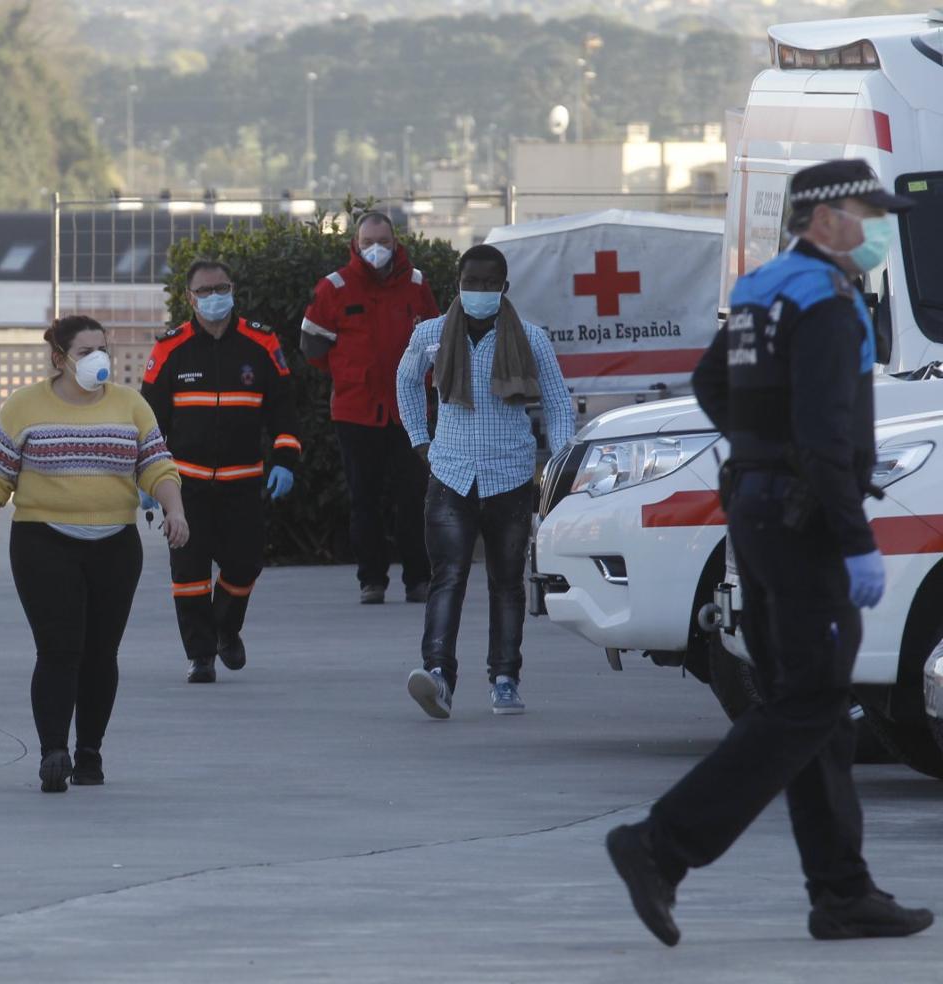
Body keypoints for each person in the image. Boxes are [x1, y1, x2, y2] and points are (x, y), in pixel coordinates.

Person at [606, 160, 933, 945]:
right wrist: (855, 539)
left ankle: (843, 894)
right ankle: (660, 845)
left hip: (755, 509)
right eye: (870, 213)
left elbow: (713, 384)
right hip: (805, 521)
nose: (879, 228)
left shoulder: (762, 291)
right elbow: (827, 438)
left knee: (814, 708)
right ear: (826, 220)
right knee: (808, 703)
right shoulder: (828, 301)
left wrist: (760, 455)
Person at [0, 316, 186, 793]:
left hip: (115, 544)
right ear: (59, 359)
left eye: (102, 348)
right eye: (86, 352)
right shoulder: (24, 407)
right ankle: (53, 752)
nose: (98, 359)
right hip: (44, 541)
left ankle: (90, 753)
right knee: (60, 649)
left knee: (101, 654)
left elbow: (157, 464)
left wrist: (175, 510)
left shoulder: (130, 406)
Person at [397, 243, 574, 718]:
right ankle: (437, 676)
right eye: (470, 282)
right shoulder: (432, 334)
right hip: (450, 473)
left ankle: (505, 678)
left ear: (504, 288)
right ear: (457, 285)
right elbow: (406, 380)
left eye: (488, 284)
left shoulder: (531, 339)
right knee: (447, 577)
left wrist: (558, 466)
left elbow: (557, 404)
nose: (478, 291)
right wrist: (420, 440)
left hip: (511, 476)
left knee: (507, 583)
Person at [141, 259, 301, 683]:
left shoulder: (261, 343)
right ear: (190, 298)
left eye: (222, 287)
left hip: (243, 482)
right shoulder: (169, 349)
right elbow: (149, 420)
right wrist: (147, 476)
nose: (216, 297)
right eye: (206, 291)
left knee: (245, 565)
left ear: (233, 290)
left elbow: (284, 409)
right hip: (184, 486)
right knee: (189, 575)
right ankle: (201, 656)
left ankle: (226, 630)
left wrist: (286, 460)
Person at [301, 211, 440, 605]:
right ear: (356, 245)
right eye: (368, 243)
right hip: (356, 411)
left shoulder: (416, 284)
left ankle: (419, 579)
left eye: (383, 241)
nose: (376, 249)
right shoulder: (334, 287)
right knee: (364, 499)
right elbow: (312, 345)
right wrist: (349, 374)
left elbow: (436, 339)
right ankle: (372, 581)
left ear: (396, 243)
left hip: (408, 410)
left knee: (412, 497)